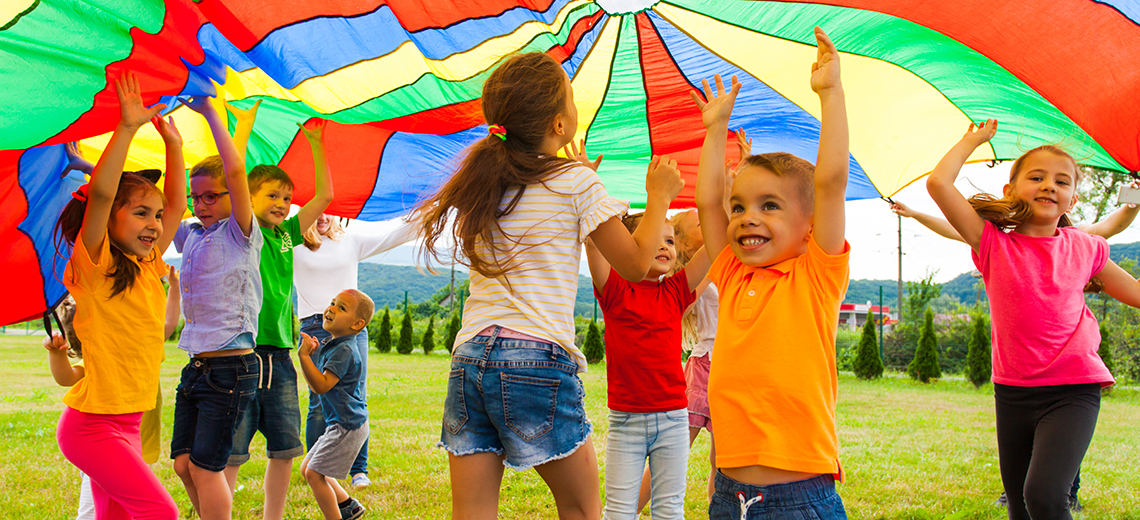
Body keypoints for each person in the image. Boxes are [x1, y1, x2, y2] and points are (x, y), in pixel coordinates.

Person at [414, 52, 684, 519]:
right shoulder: (576, 181)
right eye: (573, 98)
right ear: (560, 124)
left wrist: (588, 188)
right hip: (534, 358)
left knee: (472, 513)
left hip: (470, 359)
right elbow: (638, 265)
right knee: (582, 510)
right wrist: (658, 196)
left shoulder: (485, 183)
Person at [926, 120, 1140, 520]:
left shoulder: (1086, 248)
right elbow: (939, 184)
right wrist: (972, 141)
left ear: (1073, 199)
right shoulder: (991, 243)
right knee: (1021, 506)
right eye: (1037, 177)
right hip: (1013, 390)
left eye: (1061, 181)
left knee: (1043, 494)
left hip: (1073, 388)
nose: (1049, 186)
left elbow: (1136, 294)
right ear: (1011, 190)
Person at [693, 27, 852, 519]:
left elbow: (830, 182)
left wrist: (831, 94)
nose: (747, 218)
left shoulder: (816, 275)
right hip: (729, 495)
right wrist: (715, 129)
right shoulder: (734, 271)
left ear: (809, 227)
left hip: (800, 497)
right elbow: (706, 203)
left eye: (769, 205)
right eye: (739, 207)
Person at [52, 71, 183, 520]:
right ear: (109, 221)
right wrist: (127, 128)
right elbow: (104, 194)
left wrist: (174, 146)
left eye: (157, 215)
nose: (154, 223)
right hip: (92, 427)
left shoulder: (149, 267)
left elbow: (178, 208)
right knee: (160, 513)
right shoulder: (96, 265)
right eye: (141, 213)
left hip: (130, 422)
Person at [224, 103, 334, 520]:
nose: (283, 203)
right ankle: (220, 512)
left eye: (286, 197)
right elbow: (234, 179)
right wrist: (245, 130)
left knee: (285, 446)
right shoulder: (244, 232)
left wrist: (316, 144)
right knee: (232, 450)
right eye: (272, 195)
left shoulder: (288, 236)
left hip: (281, 357)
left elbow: (324, 196)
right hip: (242, 356)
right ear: (249, 199)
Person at [168, 95, 264, 520]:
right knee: (183, 465)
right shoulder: (192, 237)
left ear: (230, 197)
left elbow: (236, 170)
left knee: (208, 469)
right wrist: (172, 146)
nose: (200, 205)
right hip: (198, 368)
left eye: (210, 197)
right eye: (196, 198)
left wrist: (209, 113)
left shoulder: (239, 234)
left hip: (231, 369)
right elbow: (170, 208)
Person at [586, 207, 710, 519]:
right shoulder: (614, 288)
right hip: (626, 422)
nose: (664, 245)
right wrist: (595, 197)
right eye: (655, 238)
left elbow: (715, 247)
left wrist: (723, 197)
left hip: (673, 420)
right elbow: (595, 242)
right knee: (618, 511)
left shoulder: (676, 290)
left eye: (669, 240)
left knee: (669, 509)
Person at [295, 213, 418, 488]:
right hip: (314, 325)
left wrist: (432, 210)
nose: (322, 216)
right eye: (316, 210)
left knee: (355, 397)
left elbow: (395, 234)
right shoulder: (293, 243)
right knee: (319, 401)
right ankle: (316, 467)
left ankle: (358, 470)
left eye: (329, 209)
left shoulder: (350, 241)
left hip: (352, 329)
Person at [54, 264, 179, 519]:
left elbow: (167, 323)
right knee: (159, 511)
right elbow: (66, 377)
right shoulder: (100, 357)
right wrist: (56, 354)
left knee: (115, 513)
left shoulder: (143, 348)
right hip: (90, 432)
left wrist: (174, 287)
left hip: (128, 431)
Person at [297, 290, 376, 520]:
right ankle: (348, 506)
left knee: (313, 473)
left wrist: (304, 357)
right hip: (340, 423)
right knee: (307, 468)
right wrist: (311, 355)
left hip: (347, 425)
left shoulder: (344, 350)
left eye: (342, 308)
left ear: (357, 324)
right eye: (332, 303)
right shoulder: (334, 345)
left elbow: (321, 386)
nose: (331, 308)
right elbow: (316, 386)